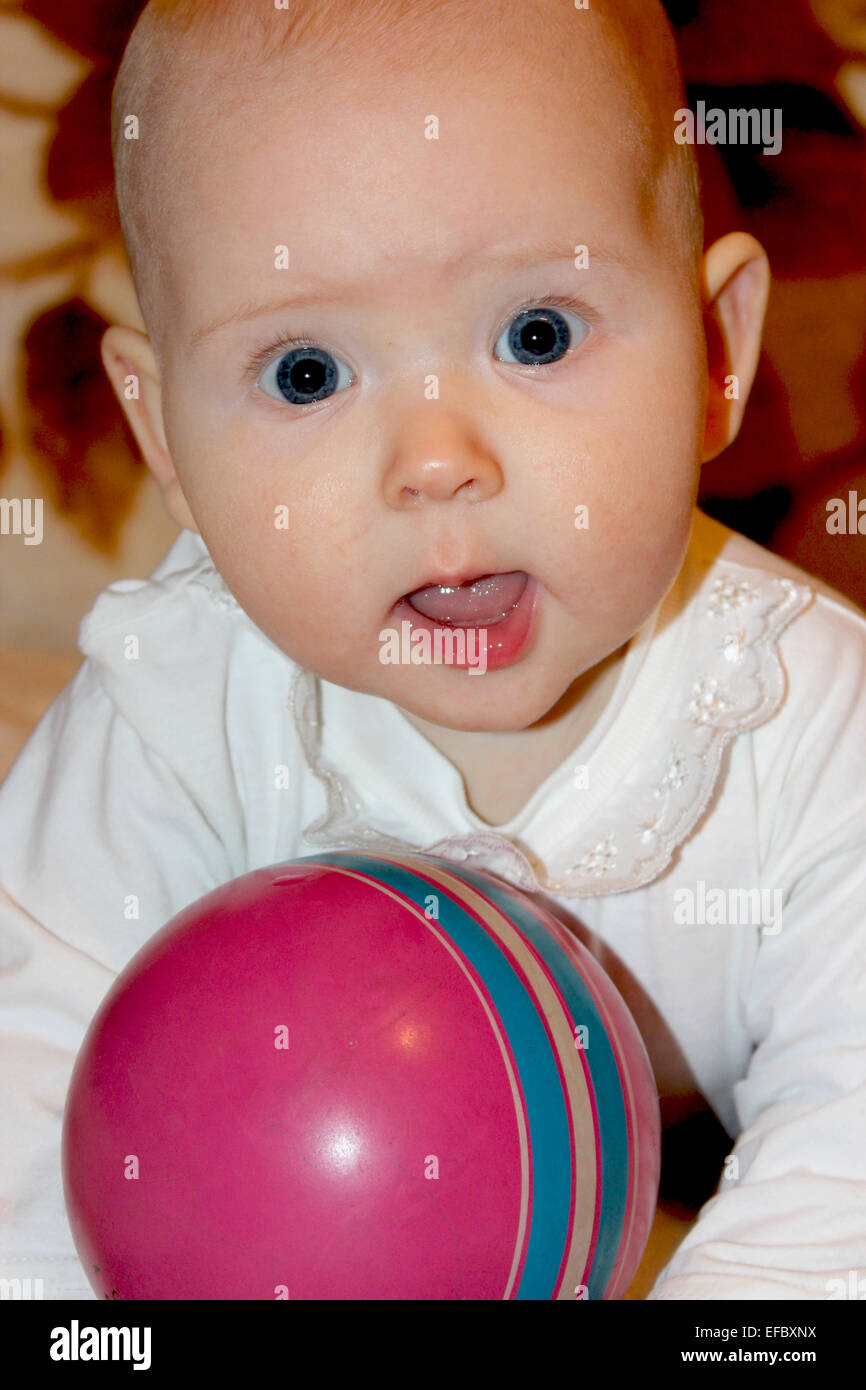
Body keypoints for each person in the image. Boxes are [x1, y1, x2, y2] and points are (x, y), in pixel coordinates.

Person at [2, 0, 865, 1300]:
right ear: (167, 438)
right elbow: (40, 1070)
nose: (435, 461)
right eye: (304, 373)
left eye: (537, 334)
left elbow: (839, 1173)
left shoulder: (808, 722)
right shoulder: (179, 695)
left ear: (713, 357)